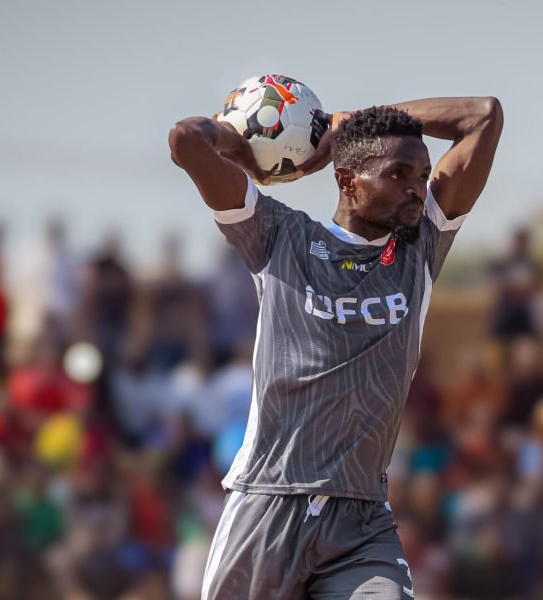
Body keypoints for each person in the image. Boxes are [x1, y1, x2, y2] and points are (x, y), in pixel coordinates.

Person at [168, 95, 503, 599]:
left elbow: (484, 115)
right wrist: (234, 143)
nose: (418, 189)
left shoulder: (419, 247)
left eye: (423, 173)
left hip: (362, 520)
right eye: (400, 174)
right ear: (348, 180)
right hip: (270, 504)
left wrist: (347, 120)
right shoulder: (279, 237)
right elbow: (185, 140)